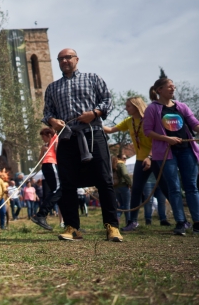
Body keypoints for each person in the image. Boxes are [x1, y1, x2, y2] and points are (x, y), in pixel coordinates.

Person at [43, 48, 122, 242]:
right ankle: (72, 227)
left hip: (93, 134)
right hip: (68, 138)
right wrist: (53, 121)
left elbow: (107, 101)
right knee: (67, 183)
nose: (65, 61)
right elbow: (47, 113)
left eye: (68, 57)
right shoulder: (52, 88)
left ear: (76, 59)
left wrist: (94, 113)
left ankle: (112, 226)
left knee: (104, 180)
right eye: (61, 58)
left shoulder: (92, 78)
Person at [103, 96, 172, 231]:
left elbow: (157, 139)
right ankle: (132, 222)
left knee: (166, 189)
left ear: (136, 106)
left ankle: (182, 219)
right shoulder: (129, 121)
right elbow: (110, 130)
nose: (125, 108)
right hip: (140, 160)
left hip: (156, 157)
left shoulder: (150, 118)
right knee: (136, 190)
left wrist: (150, 157)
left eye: (128, 106)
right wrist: (94, 121)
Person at [144, 77, 199, 236]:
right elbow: (148, 131)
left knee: (191, 187)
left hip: (186, 150)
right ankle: (181, 222)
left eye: (173, 87)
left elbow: (194, 124)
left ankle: (197, 222)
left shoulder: (181, 106)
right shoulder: (152, 109)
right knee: (174, 188)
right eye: (169, 87)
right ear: (159, 90)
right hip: (166, 153)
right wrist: (167, 139)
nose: (172, 89)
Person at [32, 128, 62, 231]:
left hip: (49, 165)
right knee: (58, 190)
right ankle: (41, 215)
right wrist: (42, 150)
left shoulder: (55, 138)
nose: (43, 139)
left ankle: (71, 224)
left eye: (43, 137)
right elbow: (40, 161)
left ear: (49, 135)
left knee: (59, 193)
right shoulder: (48, 144)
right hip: (50, 164)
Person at [111, 155, 132, 227]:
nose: (125, 159)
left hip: (116, 187)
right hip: (123, 186)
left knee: (120, 205)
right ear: (120, 158)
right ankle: (128, 222)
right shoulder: (121, 164)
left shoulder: (112, 164)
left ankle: (117, 217)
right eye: (124, 158)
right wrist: (130, 183)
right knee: (127, 205)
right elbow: (125, 174)